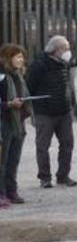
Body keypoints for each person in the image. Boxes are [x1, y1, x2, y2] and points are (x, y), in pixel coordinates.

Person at [26, 35, 76, 188]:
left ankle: (63, 175)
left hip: (64, 111)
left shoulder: (64, 64)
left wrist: (70, 104)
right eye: (65, 48)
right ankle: (45, 178)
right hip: (45, 112)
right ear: (56, 50)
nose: (68, 51)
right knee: (43, 146)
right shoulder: (39, 65)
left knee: (67, 144)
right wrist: (35, 108)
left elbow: (67, 86)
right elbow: (30, 87)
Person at [0, 44, 33, 207]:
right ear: (8, 58)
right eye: (18, 56)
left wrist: (26, 106)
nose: (21, 60)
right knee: (2, 160)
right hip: (3, 123)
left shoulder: (18, 76)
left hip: (17, 123)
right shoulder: (1, 76)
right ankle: (1, 194)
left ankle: (11, 191)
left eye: (22, 57)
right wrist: (8, 105)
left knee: (14, 159)